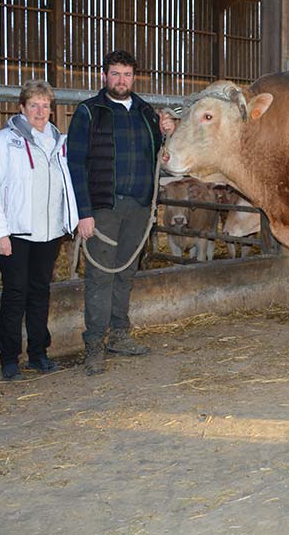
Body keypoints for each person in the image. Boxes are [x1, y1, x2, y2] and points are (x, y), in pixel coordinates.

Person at [67, 50, 174, 375]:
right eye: (115, 74)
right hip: (104, 208)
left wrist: (166, 133)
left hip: (138, 206)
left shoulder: (145, 112)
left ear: (134, 77)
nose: (121, 81)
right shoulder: (89, 112)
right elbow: (75, 164)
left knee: (125, 273)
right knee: (100, 275)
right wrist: (83, 213)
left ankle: (120, 335)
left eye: (126, 75)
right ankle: (94, 345)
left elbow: (159, 156)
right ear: (104, 76)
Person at [0, 79, 78, 381]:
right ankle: (9, 358)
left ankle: (38, 353)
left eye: (46, 105)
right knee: (15, 295)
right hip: (16, 233)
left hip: (48, 234)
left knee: (39, 293)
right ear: (22, 107)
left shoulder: (59, 143)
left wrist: (67, 222)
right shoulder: (4, 142)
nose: (40, 110)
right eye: (34, 104)